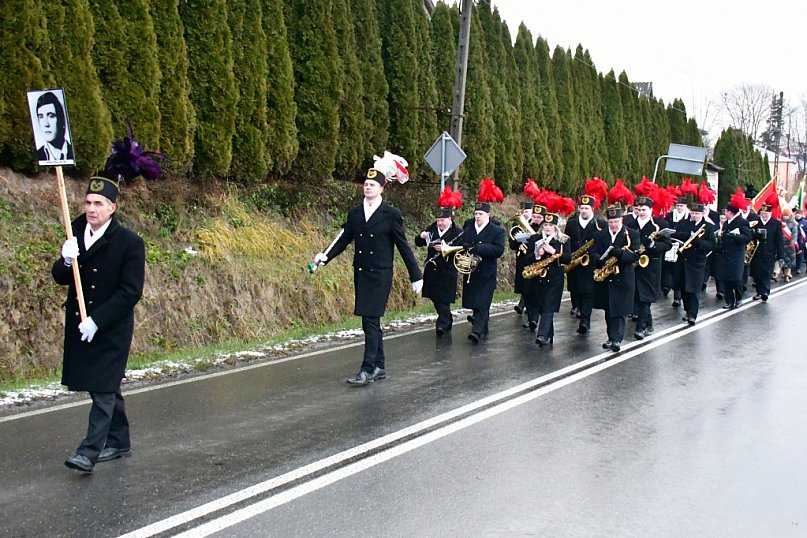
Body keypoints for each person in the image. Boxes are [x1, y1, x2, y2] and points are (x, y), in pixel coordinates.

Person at [54, 177, 145, 473]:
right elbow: (60, 277)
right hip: (81, 323)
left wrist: (98, 320)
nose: (91, 209)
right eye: (88, 203)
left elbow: (130, 291)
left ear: (112, 208)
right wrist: (66, 262)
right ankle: (118, 441)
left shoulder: (129, 242)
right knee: (103, 387)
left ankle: (88, 452)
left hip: (110, 327)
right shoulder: (75, 231)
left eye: (99, 204)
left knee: (103, 388)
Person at [316, 166, 423, 386]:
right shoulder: (355, 213)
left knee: (371, 320)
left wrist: (416, 276)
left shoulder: (391, 214)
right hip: (362, 272)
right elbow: (344, 239)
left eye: (372, 185)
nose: (368, 187)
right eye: (366, 184)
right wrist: (325, 257)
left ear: (382, 188)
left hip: (380, 274)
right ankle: (379, 365)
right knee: (369, 320)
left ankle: (367, 369)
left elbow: (403, 247)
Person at [590, 204, 640, 352]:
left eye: (616, 222)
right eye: (611, 222)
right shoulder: (600, 235)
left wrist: (620, 254)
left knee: (619, 310)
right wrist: (597, 259)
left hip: (623, 277)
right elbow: (593, 251)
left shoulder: (631, 234)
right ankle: (611, 337)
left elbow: (635, 255)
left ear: (621, 221)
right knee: (608, 310)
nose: (613, 225)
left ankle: (617, 339)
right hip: (606, 277)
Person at [521, 213, 571, 347]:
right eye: (545, 225)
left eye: (551, 226)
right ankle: (549, 336)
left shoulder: (563, 240)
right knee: (543, 308)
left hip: (554, 280)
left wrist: (554, 251)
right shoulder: (534, 239)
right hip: (538, 280)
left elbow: (568, 259)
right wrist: (537, 255)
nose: (548, 228)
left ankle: (542, 335)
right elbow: (526, 260)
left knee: (549, 307)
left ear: (556, 227)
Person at [626, 196, 672, 339]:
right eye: (639, 209)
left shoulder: (659, 224)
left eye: (644, 209)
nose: (641, 212)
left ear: (651, 210)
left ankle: (640, 328)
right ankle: (648, 323)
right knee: (636, 297)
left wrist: (653, 245)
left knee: (646, 297)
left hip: (650, 265)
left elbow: (667, 245)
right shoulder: (629, 224)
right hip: (633, 265)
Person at [461, 201, 505, 343]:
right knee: (475, 302)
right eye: (476, 214)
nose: (477, 216)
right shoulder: (468, 229)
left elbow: (498, 250)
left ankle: (476, 331)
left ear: (488, 215)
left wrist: (478, 248)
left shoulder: (497, 231)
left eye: (480, 214)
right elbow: (462, 246)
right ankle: (482, 328)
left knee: (483, 302)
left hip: (487, 272)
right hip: (471, 272)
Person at [415, 207, 462, 336]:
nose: (439, 223)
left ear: (449, 219)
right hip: (432, 269)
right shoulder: (432, 229)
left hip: (448, 270)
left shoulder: (458, 232)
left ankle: (442, 324)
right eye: (438, 220)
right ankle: (446, 318)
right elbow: (418, 242)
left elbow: (463, 249)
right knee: (435, 298)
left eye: (442, 220)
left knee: (444, 299)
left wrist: (446, 248)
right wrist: (421, 236)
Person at [564, 194, 604, 335]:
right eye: (582, 208)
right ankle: (579, 308)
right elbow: (567, 241)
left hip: (590, 264)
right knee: (576, 290)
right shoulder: (571, 223)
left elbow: (602, 244)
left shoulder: (599, 224)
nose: (584, 211)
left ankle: (585, 321)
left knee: (588, 292)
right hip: (574, 264)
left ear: (592, 209)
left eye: (587, 208)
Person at [671, 202, 716, 325]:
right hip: (683, 260)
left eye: (697, 213)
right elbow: (675, 234)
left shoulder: (708, 227)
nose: (694, 215)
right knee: (684, 288)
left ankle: (693, 314)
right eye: (693, 213)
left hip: (697, 262)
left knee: (693, 290)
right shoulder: (683, 223)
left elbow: (712, 245)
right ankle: (687, 311)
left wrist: (697, 241)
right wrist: (688, 236)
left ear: (702, 214)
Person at [715, 198, 752, 310]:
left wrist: (735, 236)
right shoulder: (726, 223)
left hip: (736, 255)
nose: (724, 213)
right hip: (725, 254)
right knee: (726, 279)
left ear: (730, 212)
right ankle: (729, 301)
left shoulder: (742, 222)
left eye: (725, 211)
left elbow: (747, 237)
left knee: (735, 279)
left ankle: (739, 298)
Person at [749, 195, 785, 302]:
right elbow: (750, 236)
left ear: (770, 213)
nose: (764, 215)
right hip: (756, 252)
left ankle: (765, 292)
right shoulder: (756, 223)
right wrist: (754, 235)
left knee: (767, 273)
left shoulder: (776, 224)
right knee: (757, 274)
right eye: (762, 213)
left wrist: (780, 255)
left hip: (769, 252)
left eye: (766, 213)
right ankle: (759, 292)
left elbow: (779, 240)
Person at [508, 200, 535, 316]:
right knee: (523, 281)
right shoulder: (516, 225)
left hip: (533, 256)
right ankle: (523, 303)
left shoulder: (536, 224)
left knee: (530, 281)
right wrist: (520, 239)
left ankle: (522, 304)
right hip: (521, 257)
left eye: (527, 211)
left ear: (532, 211)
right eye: (523, 211)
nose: (525, 213)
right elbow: (512, 244)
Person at [35, 91, 74, 163]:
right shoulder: (39, 155)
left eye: (51, 116)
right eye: (41, 117)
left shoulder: (72, 152)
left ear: (60, 119)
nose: (46, 124)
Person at [663, 199, 689, 307]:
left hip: (682, 246)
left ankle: (677, 297)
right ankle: (666, 285)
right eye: (677, 205)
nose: (679, 208)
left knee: (678, 270)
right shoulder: (669, 215)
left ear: (685, 206)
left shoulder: (688, 217)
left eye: (681, 206)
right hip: (670, 244)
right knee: (668, 267)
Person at [780, 208, 798, 282]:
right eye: (784, 216)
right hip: (781, 244)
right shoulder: (780, 223)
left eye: (786, 216)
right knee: (781, 259)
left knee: (789, 260)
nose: (785, 217)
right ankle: (783, 273)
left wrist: (793, 241)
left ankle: (787, 274)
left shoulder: (793, 223)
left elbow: (795, 233)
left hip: (789, 244)